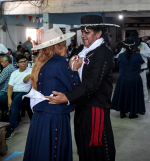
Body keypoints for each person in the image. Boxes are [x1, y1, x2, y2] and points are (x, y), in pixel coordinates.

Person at [47, 15, 117, 161]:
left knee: (97, 146)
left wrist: (67, 97)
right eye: (82, 32)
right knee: (82, 142)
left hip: (95, 106)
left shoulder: (103, 52)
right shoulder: (82, 50)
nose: (83, 35)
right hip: (81, 103)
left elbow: (92, 83)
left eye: (88, 32)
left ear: (98, 34)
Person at [23, 27, 81, 161]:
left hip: (40, 116)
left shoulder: (40, 63)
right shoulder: (60, 63)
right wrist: (75, 70)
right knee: (54, 151)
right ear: (57, 47)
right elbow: (75, 89)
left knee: (41, 149)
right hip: (55, 116)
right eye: (64, 45)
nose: (66, 48)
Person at [111, 37, 146, 119]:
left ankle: (122, 112)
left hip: (123, 78)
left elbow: (118, 64)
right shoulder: (137, 55)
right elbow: (142, 62)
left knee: (123, 94)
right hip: (134, 78)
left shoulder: (121, 55)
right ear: (134, 47)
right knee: (133, 95)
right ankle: (132, 113)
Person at [4, 54, 32, 139]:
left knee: (15, 103)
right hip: (14, 93)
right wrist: (9, 99)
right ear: (17, 63)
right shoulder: (14, 73)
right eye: (21, 62)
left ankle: (10, 128)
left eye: (25, 61)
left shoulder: (31, 70)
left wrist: (29, 76)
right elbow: (10, 87)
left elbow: (38, 75)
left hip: (24, 93)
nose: (24, 63)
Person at [119, 31, 150, 101]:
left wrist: (140, 51)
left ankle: (142, 105)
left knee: (143, 87)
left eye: (137, 39)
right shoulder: (126, 46)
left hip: (141, 70)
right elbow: (120, 56)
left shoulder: (143, 45)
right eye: (134, 39)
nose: (135, 40)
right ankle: (131, 105)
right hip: (130, 72)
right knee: (130, 88)